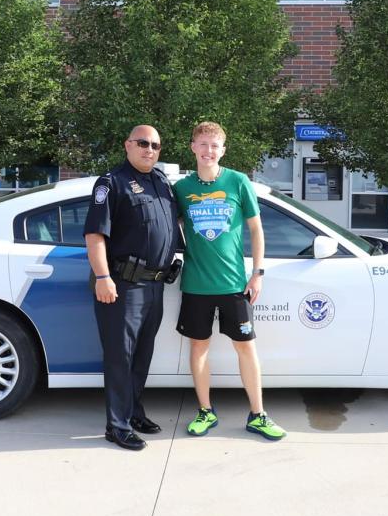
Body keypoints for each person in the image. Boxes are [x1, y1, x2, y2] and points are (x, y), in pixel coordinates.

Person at [174, 121, 286, 441]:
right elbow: (170, 226)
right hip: (196, 284)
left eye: (215, 145)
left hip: (235, 284)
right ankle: (206, 411)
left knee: (247, 349)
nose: (209, 150)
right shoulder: (182, 189)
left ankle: (258, 415)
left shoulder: (238, 182)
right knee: (199, 348)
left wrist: (258, 273)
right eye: (203, 144)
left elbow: (256, 230)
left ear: (223, 150)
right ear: (193, 147)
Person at [84, 125, 178, 451]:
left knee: (142, 355)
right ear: (128, 145)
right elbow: (95, 235)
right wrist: (102, 277)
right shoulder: (112, 183)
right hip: (122, 284)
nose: (149, 149)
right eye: (142, 143)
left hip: (154, 286)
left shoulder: (162, 183)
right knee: (120, 357)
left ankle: (134, 412)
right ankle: (117, 425)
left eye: (155, 145)